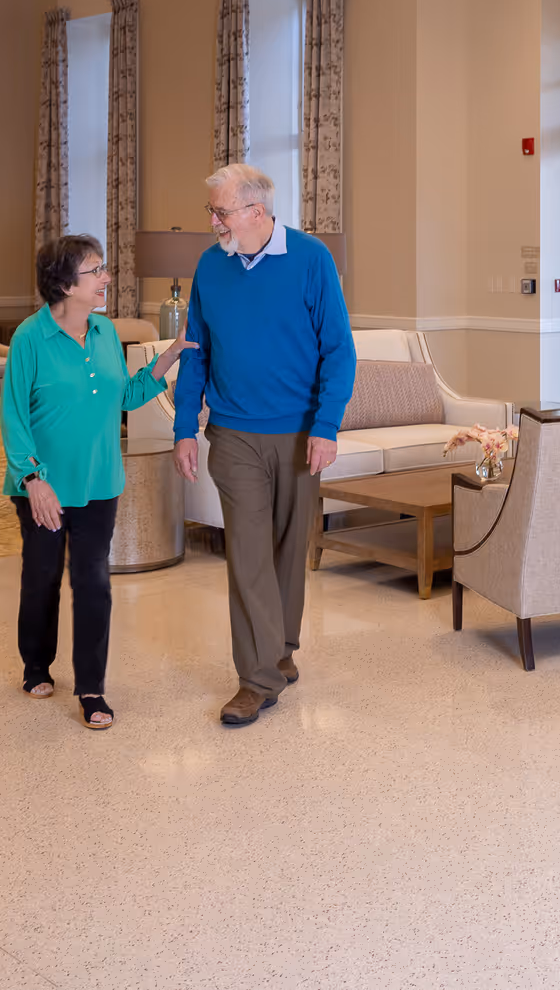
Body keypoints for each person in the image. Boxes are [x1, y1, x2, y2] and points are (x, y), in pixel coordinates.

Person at [172, 164, 354, 726]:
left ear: (257, 212)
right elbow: (196, 352)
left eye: (220, 212)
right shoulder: (210, 265)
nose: (213, 222)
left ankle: (281, 648)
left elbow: (338, 351)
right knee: (247, 554)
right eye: (213, 211)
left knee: (285, 549)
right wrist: (184, 427)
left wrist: (326, 427)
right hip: (233, 433)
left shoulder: (310, 259)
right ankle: (256, 680)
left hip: (299, 433)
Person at [2, 234, 195, 730]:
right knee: (42, 577)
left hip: (100, 483)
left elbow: (126, 397)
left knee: (93, 583)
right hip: (42, 486)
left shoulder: (107, 333)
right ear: (65, 283)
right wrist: (31, 479)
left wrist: (170, 355)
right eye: (96, 271)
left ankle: (91, 687)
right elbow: (14, 417)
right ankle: (36, 665)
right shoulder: (30, 337)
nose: (106, 277)